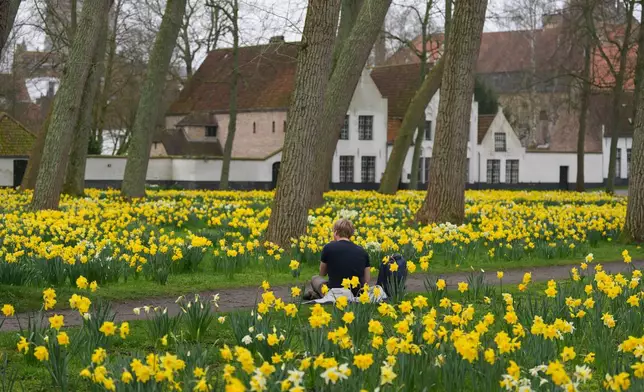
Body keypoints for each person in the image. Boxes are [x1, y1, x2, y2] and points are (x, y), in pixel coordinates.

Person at [304, 218, 370, 300]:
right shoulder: (362, 251)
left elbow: (322, 273)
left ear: (335, 232)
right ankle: (317, 295)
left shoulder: (328, 247)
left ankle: (318, 295)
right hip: (355, 292)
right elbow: (366, 280)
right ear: (351, 234)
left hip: (334, 291)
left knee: (315, 278)